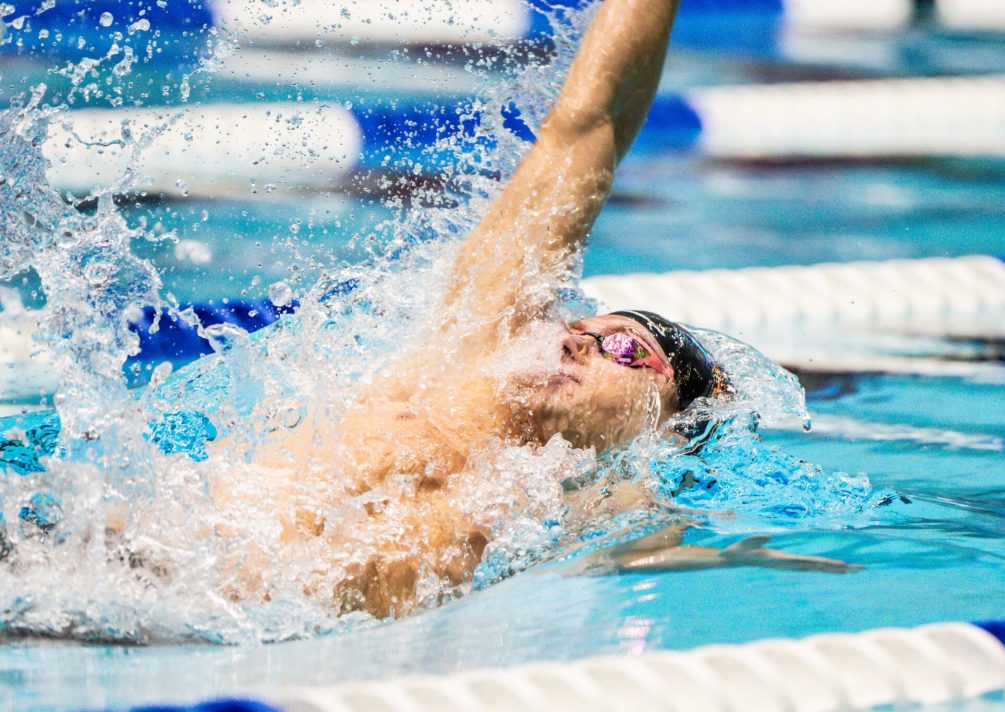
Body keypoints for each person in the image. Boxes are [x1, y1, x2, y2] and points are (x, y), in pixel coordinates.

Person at [214, 0, 853, 619]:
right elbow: (586, 127)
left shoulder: (606, 501)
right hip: (175, 564)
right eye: (580, 330)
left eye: (627, 350)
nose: (580, 343)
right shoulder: (467, 356)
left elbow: (655, 556)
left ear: (667, 427)